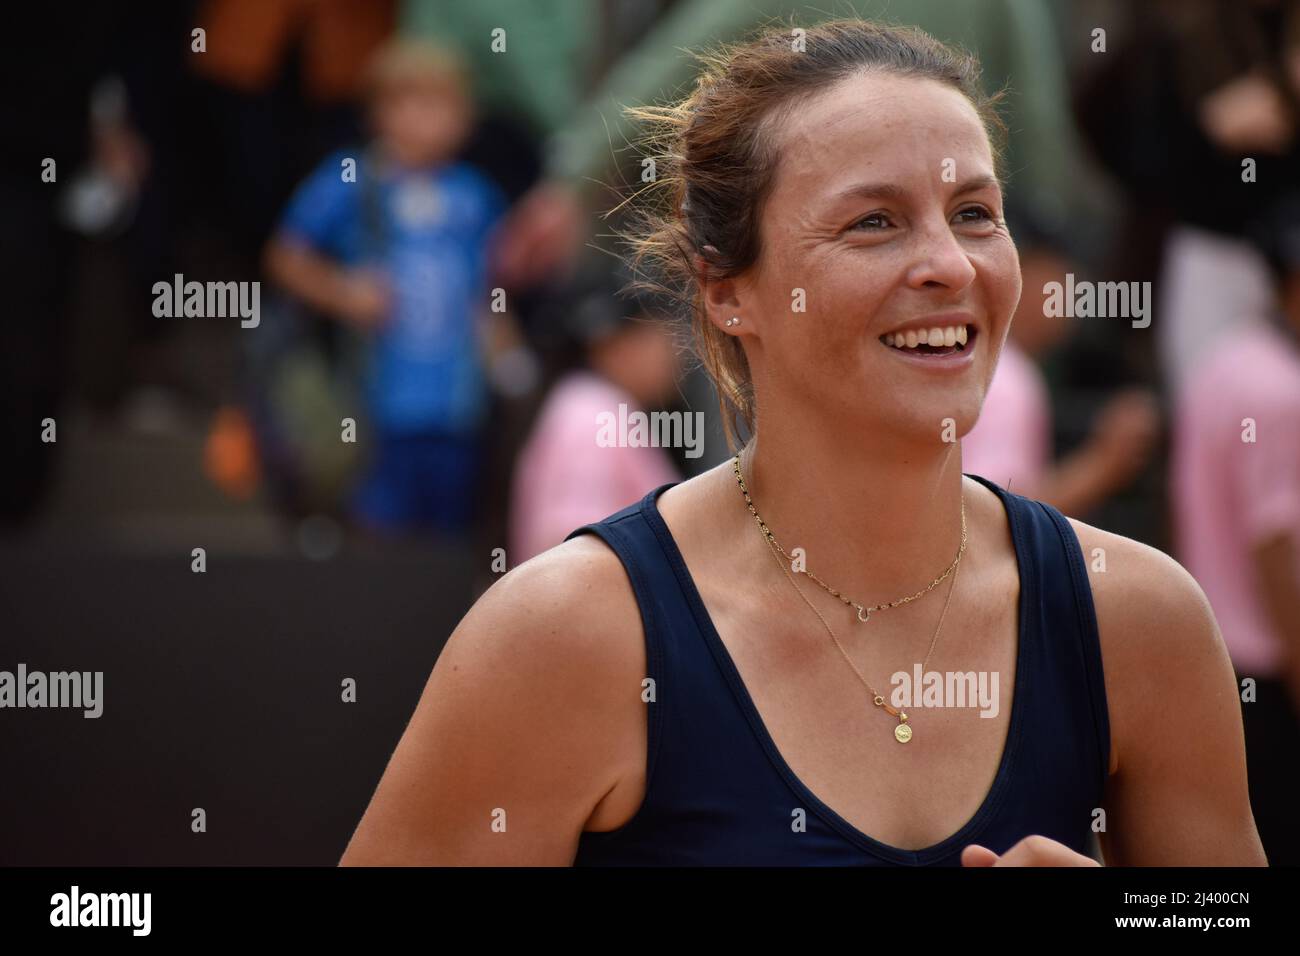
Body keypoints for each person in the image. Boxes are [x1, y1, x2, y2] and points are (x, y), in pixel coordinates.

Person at [340, 20, 1265, 866]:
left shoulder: (1139, 623)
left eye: (976, 213)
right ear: (728, 291)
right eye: (874, 221)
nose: (950, 263)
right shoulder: (569, 637)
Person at [264, 39, 508, 537]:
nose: (425, 119)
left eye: (441, 104)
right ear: (377, 112)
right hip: (374, 403)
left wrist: (503, 353)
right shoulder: (354, 180)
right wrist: (344, 292)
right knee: (381, 535)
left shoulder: (475, 194)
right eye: (408, 103)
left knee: (451, 535)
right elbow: (285, 257)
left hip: (457, 403)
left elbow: (490, 291)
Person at [1170, 194, 1300, 866]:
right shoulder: (1279, 392)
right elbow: (1278, 551)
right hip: (1272, 673)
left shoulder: (1225, 361)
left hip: (1218, 655)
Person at [961, 229, 1160, 514]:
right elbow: (998, 519)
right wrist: (1105, 462)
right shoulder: (1008, 381)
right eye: (1058, 286)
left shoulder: (990, 362)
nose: (1070, 304)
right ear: (1021, 278)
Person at [508, 265, 681, 564]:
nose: (677, 351)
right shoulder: (592, 413)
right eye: (660, 334)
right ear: (618, 346)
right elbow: (569, 548)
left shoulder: (588, 405)